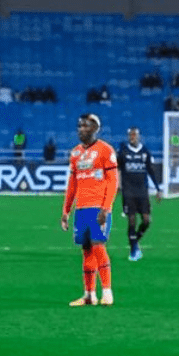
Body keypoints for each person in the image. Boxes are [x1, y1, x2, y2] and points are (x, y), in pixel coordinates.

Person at [60, 113, 118, 307]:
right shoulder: (75, 153)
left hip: (98, 208)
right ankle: (89, 295)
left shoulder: (105, 150)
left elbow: (113, 182)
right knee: (86, 251)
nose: (81, 130)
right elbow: (72, 184)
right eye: (79, 126)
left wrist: (106, 208)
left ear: (95, 128)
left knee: (98, 246)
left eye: (85, 126)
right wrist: (66, 211)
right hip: (81, 209)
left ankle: (107, 292)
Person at [117, 127, 163, 261]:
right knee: (132, 220)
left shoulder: (145, 152)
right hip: (128, 191)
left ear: (138, 136)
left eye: (134, 135)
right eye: (130, 135)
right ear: (128, 137)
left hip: (142, 191)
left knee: (146, 221)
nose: (132, 137)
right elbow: (117, 169)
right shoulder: (123, 152)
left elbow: (151, 171)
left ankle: (135, 240)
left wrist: (158, 189)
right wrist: (118, 185)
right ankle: (133, 251)